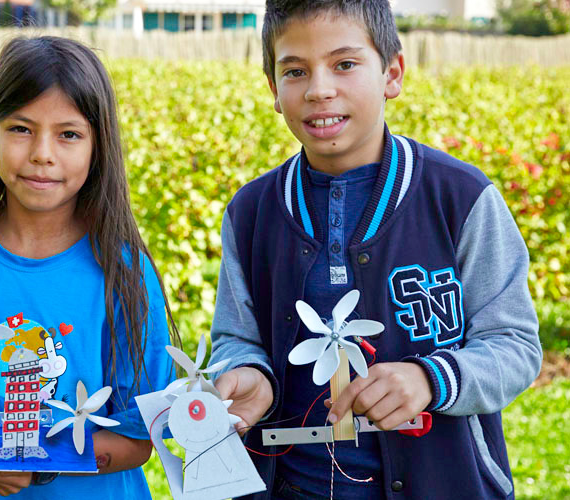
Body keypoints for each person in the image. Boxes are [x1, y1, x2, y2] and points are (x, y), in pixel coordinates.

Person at [207, 1, 542, 499]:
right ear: (274, 91)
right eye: (295, 71)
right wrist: (251, 374)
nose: (319, 89)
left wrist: (433, 378)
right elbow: (237, 337)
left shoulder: (460, 197)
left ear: (393, 72)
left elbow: (516, 345)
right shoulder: (251, 212)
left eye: (344, 64)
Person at [0, 36, 177, 499]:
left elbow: (138, 437)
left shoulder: (124, 269)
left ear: (97, 147)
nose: (43, 153)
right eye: (21, 129)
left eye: (68, 134)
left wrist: (36, 466)